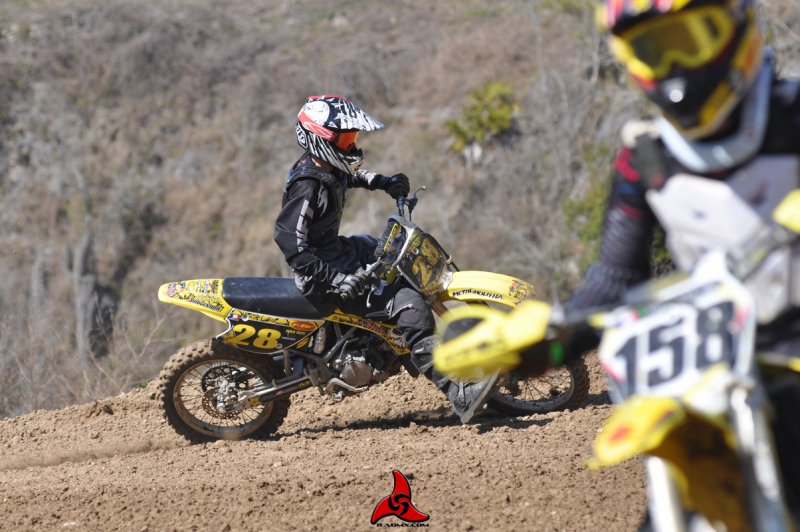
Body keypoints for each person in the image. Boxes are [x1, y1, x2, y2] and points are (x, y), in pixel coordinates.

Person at [434, 0, 800, 508]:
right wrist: (545, 341)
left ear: (738, 29)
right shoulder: (644, 159)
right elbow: (615, 282)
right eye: (653, 49)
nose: (675, 68)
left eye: (691, 39)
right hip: (719, 368)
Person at [274, 94, 498, 423]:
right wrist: (338, 279)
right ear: (320, 139)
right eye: (345, 139)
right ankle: (457, 391)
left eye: (352, 137)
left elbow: (350, 176)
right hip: (322, 276)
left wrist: (384, 182)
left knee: (390, 254)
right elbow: (289, 241)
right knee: (408, 305)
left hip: (337, 253)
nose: (351, 145)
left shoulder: (325, 167)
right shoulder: (307, 185)